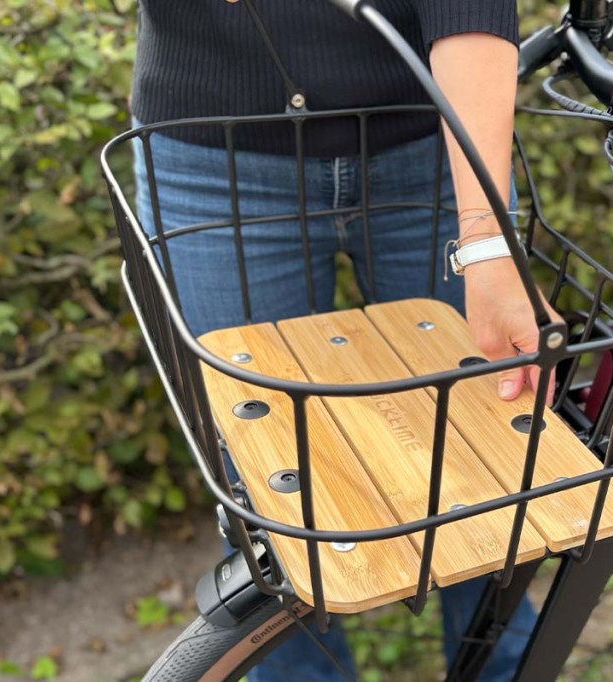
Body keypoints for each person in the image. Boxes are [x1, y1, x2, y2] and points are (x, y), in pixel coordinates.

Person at [130, 0, 559, 679]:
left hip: (433, 140)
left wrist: (486, 243)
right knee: (261, 486)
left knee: (482, 452)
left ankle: (501, 665)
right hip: (210, 156)